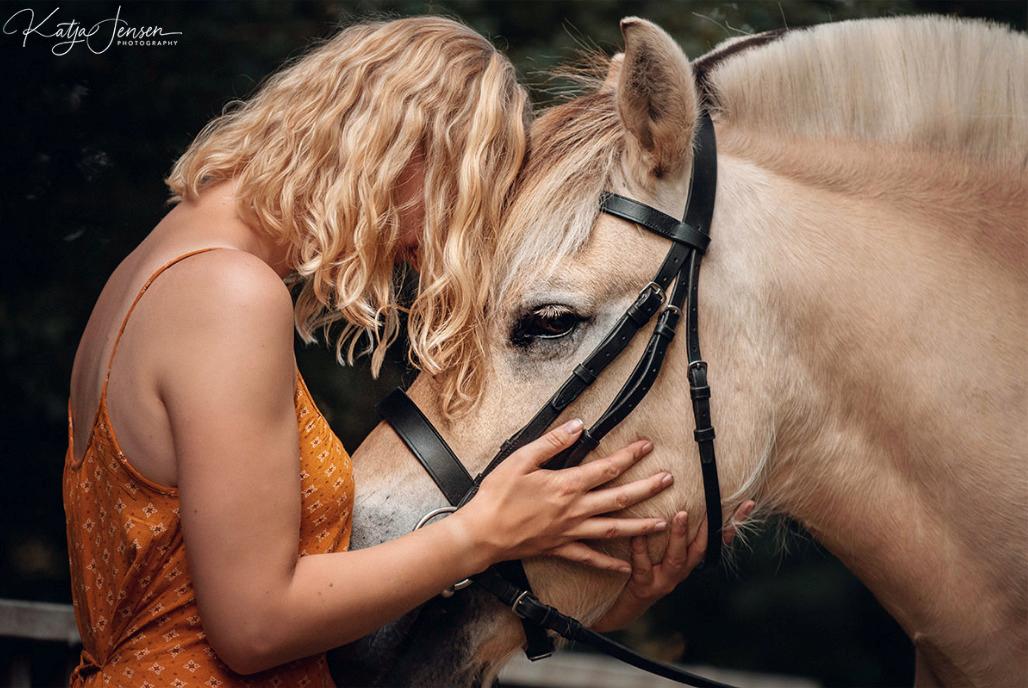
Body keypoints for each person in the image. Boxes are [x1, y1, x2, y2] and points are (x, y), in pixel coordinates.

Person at [62, 16, 753, 687]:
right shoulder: (227, 293)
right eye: (462, 197)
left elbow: (207, 607)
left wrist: (610, 597)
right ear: (404, 150)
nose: (440, 243)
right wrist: (480, 533)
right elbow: (253, 629)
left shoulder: (153, 275)